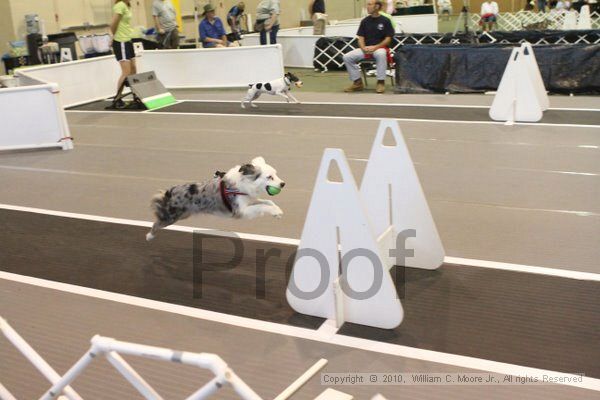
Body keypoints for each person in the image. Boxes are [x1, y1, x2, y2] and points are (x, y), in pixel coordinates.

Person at [342, 0, 395, 94]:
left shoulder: (385, 21)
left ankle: (380, 82)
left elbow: (388, 39)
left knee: (381, 54)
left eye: (370, 4)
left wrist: (375, 47)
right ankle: (357, 82)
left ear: (377, 7)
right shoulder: (364, 21)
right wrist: (363, 48)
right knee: (347, 57)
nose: (367, 7)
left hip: (379, 48)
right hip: (365, 49)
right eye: (367, 4)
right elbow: (360, 38)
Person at [110, 0, 136, 107]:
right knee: (126, 72)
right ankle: (117, 99)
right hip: (121, 41)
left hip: (128, 40)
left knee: (134, 70)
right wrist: (113, 36)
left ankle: (136, 96)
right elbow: (113, 24)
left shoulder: (127, 5)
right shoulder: (120, 5)